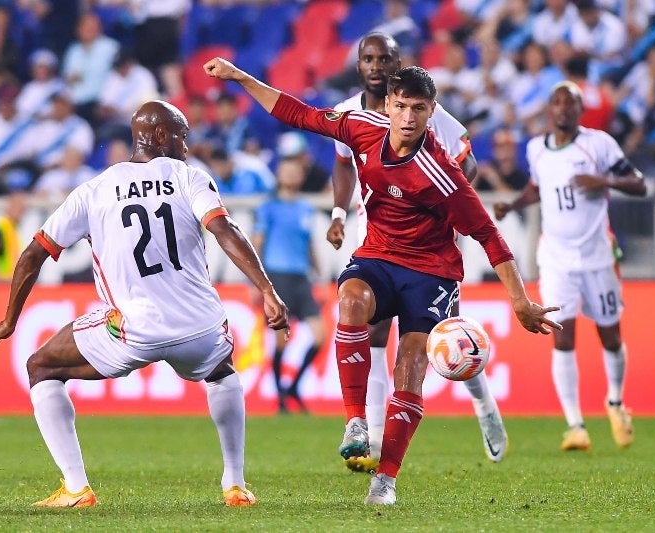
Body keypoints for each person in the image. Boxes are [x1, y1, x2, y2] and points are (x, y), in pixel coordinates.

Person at [204, 56, 560, 505]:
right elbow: (297, 112)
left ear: (432, 112)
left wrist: (521, 302)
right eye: (401, 106)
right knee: (349, 300)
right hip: (377, 256)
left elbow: (488, 234)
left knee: (408, 368)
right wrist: (240, 76)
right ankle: (356, 421)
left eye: (419, 109)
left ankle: (385, 480)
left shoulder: (442, 173)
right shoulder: (361, 125)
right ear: (387, 104)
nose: (408, 117)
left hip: (431, 273)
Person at [0, 100, 289, 508]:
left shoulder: (94, 189)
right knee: (221, 372)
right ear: (160, 135)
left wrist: (8, 320)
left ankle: (76, 488)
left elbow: (34, 254)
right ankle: (235, 483)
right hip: (199, 327)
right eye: (182, 136)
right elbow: (224, 229)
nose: (187, 147)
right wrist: (265, 288)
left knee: (42, 366)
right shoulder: (187, 176)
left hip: (133, 330)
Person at [325, 32, 511, 474]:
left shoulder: (427, 112)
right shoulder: (350, 113)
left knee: (451, 343)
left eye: (384, 58)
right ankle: (367, 434)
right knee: (369, 333)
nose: (376, 65)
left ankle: (484, 405)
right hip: (373, 237)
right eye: (368, 58)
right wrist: (336, 211)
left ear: (396, 63)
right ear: (359, 65)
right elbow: (341, 162)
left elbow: (467, 163)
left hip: (429, 246)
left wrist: (438, 204)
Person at [494, 81, 647, 452]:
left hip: (598, 256)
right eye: (557, 102)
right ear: (550, 110)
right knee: (562, 339)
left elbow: (639, 185)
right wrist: (513, 206)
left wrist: (605, 180)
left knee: (610, 336)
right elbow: (537, 188)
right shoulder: (536, 149)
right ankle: (575, 425)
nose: (562, 108)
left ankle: (614, 401)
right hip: (557, 258)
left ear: (580, 110)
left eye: (570, 103)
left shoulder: (599, 144)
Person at [252, 159, 327, 414]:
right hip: (277, 278)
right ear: (279, 175)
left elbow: (309, 246)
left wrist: (320, 277)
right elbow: (257, 244)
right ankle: (281, 398)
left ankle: (293, 386)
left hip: (301, 278)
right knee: (281, 342)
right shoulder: (268, 208)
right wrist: (257, 284)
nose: (292, 174)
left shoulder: (305, 209)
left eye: (296, 171)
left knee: (320, 336)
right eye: (287, 170)